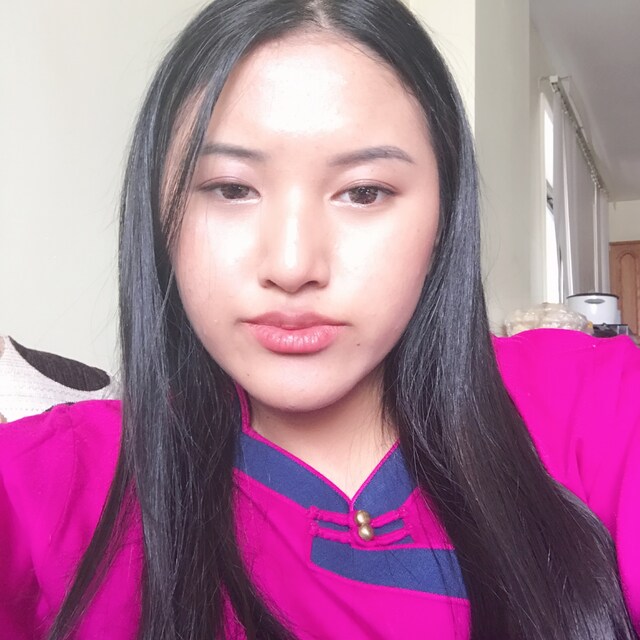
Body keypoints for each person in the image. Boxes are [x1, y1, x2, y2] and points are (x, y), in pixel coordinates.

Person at [0, 0, 638, 638]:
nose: (292, 265)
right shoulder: (55, 483)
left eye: (364, 192)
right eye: (230, 188)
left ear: (446, 215)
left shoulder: (593, 401)